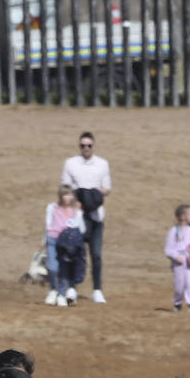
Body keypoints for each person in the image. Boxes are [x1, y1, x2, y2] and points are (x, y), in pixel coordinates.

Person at [60, 131, 111, 303]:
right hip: (78, 217)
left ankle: (97, 290)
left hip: (96, 216)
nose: (86, 148)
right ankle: (72, 288)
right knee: (75, 252)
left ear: (93, 146)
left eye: (89, 145)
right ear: (79, 146)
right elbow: (65, 187)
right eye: (83, 145)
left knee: (96, 254)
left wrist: (94, 196)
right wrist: (77, 200)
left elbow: (107, 188)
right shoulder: (70, 163)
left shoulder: (102, 164)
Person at [44, 184, 84, 307]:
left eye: (70, 194)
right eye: (65, 194)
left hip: (67, 244)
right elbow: (48, 225)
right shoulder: (52, 207)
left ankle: (61, 293)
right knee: (53, 268)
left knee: (64, 269)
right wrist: (44, 240)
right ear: (61, 196)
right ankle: (53, 290)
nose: (67, 197)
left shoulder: (76, 212)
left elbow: (81, 229)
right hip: (52, 239)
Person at [165, 204, 190, 312]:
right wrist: (176, 256)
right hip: (179, 263)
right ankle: (177, 303)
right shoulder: (174, 231)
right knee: (180, 284)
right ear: (182, 216)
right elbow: (168, 249)